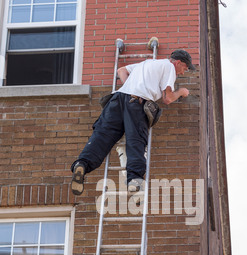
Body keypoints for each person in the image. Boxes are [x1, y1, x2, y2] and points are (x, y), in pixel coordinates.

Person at [70, 49, 196, 196]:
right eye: (185, 68)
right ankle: (134, 180)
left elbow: (122, 70)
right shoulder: (169, 67)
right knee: (136, 141)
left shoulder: (147, 63)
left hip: (117, 100)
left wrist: (130, 86)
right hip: (137, 104)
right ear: (178, 62)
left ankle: (82, 165)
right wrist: (182, 92)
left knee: (102, 137)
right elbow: (167, 98)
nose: (183, 72)